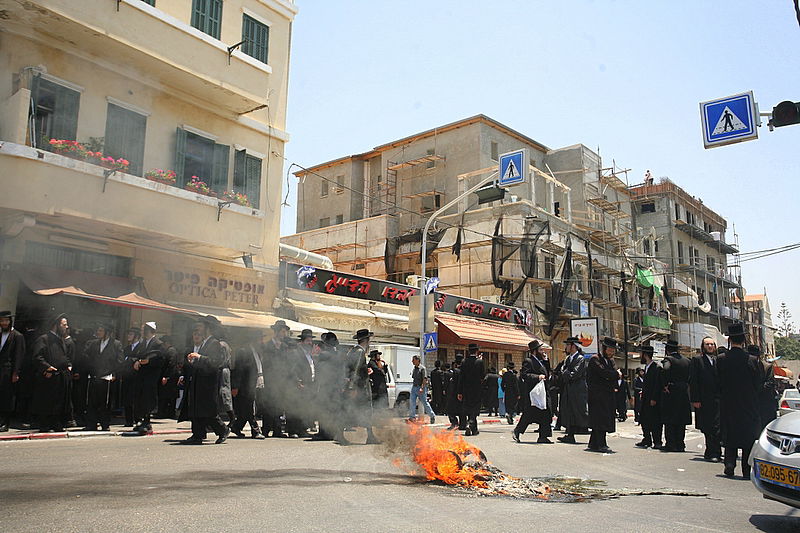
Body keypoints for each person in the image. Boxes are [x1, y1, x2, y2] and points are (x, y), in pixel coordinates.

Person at [718, 323, 761, 478]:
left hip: (728, 403)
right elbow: (758, 384)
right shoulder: (752, 360)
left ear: (730, 339)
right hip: (747, 404)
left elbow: (718, 382)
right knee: (747, 437)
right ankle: (745, 469)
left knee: (730, 435)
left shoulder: (722, 359)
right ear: (743, 340)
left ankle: (729, 463)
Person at [180, 317, 230, 445]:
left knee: (208, 411)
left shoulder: (214, 343)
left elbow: (215, 362)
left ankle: (223, 429)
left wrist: (200, 357)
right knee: (197, 409)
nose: (198, 328)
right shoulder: (204, 343)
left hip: (208, 383)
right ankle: (198, 434)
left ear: (208, 328)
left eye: (201, 326)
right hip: (198, 380)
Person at [31, 313, 73, 432]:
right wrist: (47, 368)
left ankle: (56, 423)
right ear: (56, 325)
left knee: (58, 402)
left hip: (60, 376)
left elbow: (64, 357)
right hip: (48, 377)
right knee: (46, 402)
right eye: (64, 325)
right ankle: (44, 425)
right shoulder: (44, 339)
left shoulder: (61, 340)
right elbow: (37, 357)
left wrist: (68, 365)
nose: (66, 327)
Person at [83, 323, 123, 431]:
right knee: (92, 401)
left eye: (101, 330)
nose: (98, 332)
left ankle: (105, 423)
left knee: (105, 402)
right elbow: (87, 357)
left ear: (107, 333)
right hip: (95, 376)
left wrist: (114, 373)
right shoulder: (94, 343)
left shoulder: (116, 344)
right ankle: (92, 423)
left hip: (107, 377)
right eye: (98, 330)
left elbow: (119, 361)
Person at [344, 329, 381, 444]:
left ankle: (370, 436)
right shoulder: (360, 352)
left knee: (355, 410)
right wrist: (352, 387)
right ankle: (370, 437)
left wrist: (365, 370)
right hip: (360, 387)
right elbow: (355, 370)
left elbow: (353, 368)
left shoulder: (353, 351)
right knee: (365, 411)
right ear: (366, 340)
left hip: (356, 385)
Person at [512, 340, 552, 443]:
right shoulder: (528, 361)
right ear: (535, 351)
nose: (542, 351)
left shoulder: (541, 361)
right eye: (540, 349)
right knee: (529, 414)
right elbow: (525, 375)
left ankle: (543, 436)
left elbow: (547, 373)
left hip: (542, 392)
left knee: (546, 413)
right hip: (533, 393)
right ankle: (517, 431)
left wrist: (546, 361)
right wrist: (537, 377)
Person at [690, 336, 722, 462]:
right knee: (707, 426)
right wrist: (695, 399)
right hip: (703, 399)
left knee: (717, 426)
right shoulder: (697, 360)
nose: (710, 346)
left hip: (717, 399)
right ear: (703, 346)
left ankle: (715, 451)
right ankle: (712, 451)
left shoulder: (717, 360)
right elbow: (693, 381)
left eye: (712, 344)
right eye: (707, 344)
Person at [230, 330, 265, 439]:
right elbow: (239, 370)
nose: (261, 341)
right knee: (249, 408)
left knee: (245, 410)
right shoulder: (243, 351)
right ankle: (255, 431)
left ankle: (236, 427)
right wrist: (235, 386)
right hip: (245, 385)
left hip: (254, 384)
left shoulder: (257, 351)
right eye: (260, 339)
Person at [130, 322, 164, 435]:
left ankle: (147, 422)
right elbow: (137, 355)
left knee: (148, 398)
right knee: (139, 397)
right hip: (141, 375)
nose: (142, 332)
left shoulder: (158, 344)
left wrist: (149, 361)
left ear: (150, 331)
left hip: (151, 376)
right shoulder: (142, 343)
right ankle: (140, 420)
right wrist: (136, 361)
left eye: (144, 330)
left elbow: (160, 359)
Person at [586, 337, 619, 453]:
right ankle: (601, 444)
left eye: (613, 350)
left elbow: (614, 373)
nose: (611, 353)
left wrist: (614, 374)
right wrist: (615, 374)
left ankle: (593, 443)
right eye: (609, 350)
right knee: (599, 420)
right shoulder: (595, 360)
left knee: (602, 419)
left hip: (607, 395)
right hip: (597, 396)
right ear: (604, 349)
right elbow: (605, 373)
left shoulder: (610, 361)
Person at [260, 321, 290, 438]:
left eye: (285, 331)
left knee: (278, 406)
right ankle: (266, 429)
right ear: (276, 332)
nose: (284, 334)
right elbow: (265, 362)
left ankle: (277, 430)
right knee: (268, 406)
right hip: (269, 379)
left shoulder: (284, 347)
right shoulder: (267, 346)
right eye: (283, 331)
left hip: (281, 380)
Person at [660, 339, 691, 452]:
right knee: (681, 420)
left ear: (667, 349)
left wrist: (665, 385)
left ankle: (671, 444)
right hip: (683, 391)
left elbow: (664, 373)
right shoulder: (687, 361)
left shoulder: (668, 360)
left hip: (671, 391)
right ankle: (680, 444)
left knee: (670, 419)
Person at [558, 336, 589, 444]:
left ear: (573, 346)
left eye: (567, 345)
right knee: (569, 411)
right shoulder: (568, 359)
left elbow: (575, 374)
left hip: (578, 389)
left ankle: (594, 430)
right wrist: (566, 373)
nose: (566, 347)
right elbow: (562, 371)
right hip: (568, 389)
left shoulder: (580, 359)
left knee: (580, 412)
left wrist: (566, 373)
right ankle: (569, 434)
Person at [315, 332, 345, 442]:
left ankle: (324, 432)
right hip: (335, 387)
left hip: (326, 387)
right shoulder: (338, 355)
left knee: (324, 410)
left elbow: (319, 370)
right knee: (332, 410)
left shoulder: (323, 355)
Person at [289, 329, 316, 438]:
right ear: (302, 341)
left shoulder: (309, 354)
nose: (310, 343)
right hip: (299, 385)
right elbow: (292, 369)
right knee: (296, 408)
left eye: (311, 341)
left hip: (308, 385)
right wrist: (297, 381)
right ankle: (293, 430)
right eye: (308, 341)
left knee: (304, 409)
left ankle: (302, 429)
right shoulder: (296, 353)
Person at [0, 310, 25, 431]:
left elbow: (19, 356)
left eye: (6, 320)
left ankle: (6, 423)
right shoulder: (0, 334)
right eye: (2, 321)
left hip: (9, 371)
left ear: (10, 321)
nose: (4, 323)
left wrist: (16, 372)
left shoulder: (17, 336)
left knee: (7, 397)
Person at [636, 345, 663, 449]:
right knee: (644, 419)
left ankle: (657, 441)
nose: (640, 356)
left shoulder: (656, 368)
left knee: (655, 421)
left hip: (653, 400)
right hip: (645, 399)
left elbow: (657, 385)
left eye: (641, 354)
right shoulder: (646, 368)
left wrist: (654, 398)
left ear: (645, 355)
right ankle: (647, 439)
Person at [457, 343, 485, 436]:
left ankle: (474, 429)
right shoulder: (480, 362)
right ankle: (470, 423)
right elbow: (482, 377)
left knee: (468, 408)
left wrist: (460, 391)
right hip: (477, 389)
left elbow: (461, 378)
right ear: (477, 351)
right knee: (475, 408)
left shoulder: (464, 362)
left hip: (466, 389)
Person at [752, 344, 778, 432]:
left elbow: (770, 383)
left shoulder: (767, 366)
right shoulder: (747, 365)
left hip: (765, 404)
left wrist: (756, 391)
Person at [120, 327, 140, 427]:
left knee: (135, 399)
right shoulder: (126, 348)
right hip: (127, 376)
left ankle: (137, 419)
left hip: (136, 377)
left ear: (136, 336)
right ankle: (128, 420)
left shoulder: (141, 347)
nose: (128, 336)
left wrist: (131, 360)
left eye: (131, 334)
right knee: (127, 399)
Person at [157, 336, 179, 419]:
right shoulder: (169, 351)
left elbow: (171, 364)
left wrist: (166, 376)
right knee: (166, 396)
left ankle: (166, 413)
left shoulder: (171, 351)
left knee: (168, 396)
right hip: (169, 377)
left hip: (170, 378)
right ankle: (164, 412)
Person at [408, 354, 435, 424]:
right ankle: (412, 417)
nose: (412, 361)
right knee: (412, 402)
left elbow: (424, 379)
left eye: (413, 360)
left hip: (421, 388)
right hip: (414, 387)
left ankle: (432, 416)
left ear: (417, 360)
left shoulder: (422, 368)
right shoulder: (414, 368)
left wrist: (422, 388)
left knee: (424, 403)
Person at [445, 359, 464, 430]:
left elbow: (454, 383)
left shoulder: (455, 371)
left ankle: (454, 423)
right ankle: (463, 424)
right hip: (462, 393)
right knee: (461, 410)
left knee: (449, 409)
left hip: (454, 393)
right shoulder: (464, 371)